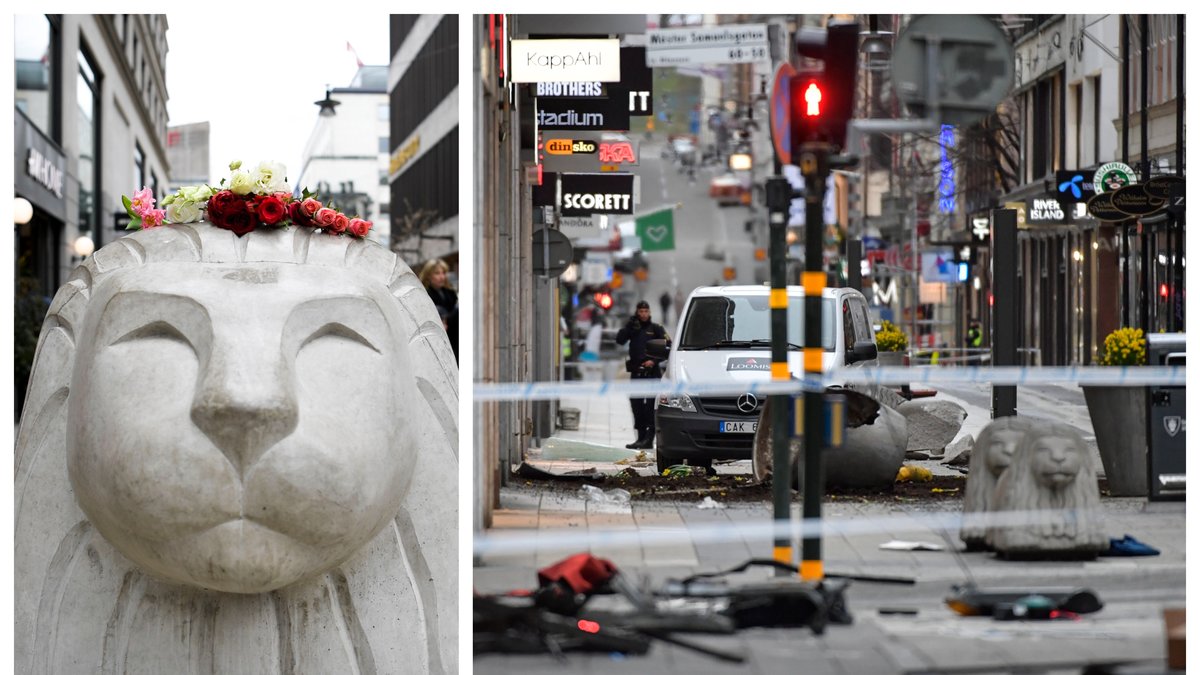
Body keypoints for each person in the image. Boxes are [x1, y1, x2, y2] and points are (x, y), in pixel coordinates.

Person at [615, 300, 669, 449]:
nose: (643, 314)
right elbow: (620, 340)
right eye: (641, 312)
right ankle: (640, 437)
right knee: (637, 406)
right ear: (637, 312)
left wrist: (653, 361)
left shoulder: (656, 329)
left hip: (652, 374)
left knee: (650, 406)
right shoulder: (634, 327)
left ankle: (649, 439)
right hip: (637, 374)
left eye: (646, 311)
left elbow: (667, 348)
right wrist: (629, 326)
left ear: (649, 312)